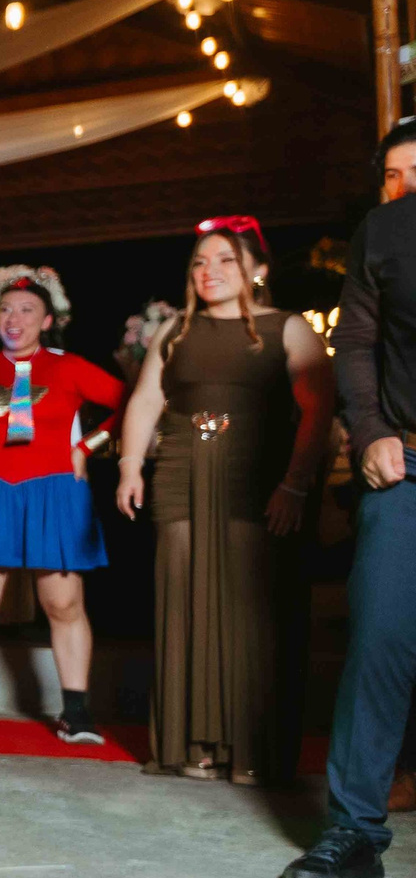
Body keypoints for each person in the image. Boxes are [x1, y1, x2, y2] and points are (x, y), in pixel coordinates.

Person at [116, 219, 333, 786]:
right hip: (181, 466)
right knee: (182, 597)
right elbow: (144, 401)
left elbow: (318, 410)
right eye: (199, 262)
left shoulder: (287, 328)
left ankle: (251, 748)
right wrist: (129, 466)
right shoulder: (174, 331)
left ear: (257, 269)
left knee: (247, 605)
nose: (208, 271)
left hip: (255, 470)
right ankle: (192, 743)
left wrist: (295, 483)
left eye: (225, 260)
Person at [287, 122, 416, 878]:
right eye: (392, 173)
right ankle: (355, 831)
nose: (405, 184)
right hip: (405, 462)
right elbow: (356, 343)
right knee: (379, 638)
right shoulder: (381, 234)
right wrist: (368, 429)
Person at [0, 270, 123, 742]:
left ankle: (76, 712)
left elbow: (131, 400)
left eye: (27, 310)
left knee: (64, 604)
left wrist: (88, 446)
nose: (15, 319)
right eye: (6, 310)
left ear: (47, 319)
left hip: (54, 492)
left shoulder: (70, 366)